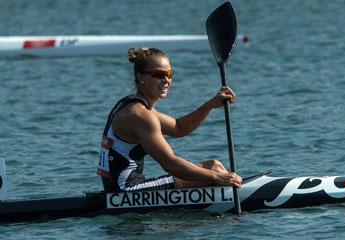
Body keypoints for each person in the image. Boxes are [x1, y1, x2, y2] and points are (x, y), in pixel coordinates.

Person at [97, 46, 242, 192]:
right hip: (126, 190)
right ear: (140, 77)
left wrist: (209, 105)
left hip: (118, 188)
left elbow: (179, 128)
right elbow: (169, 164)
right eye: (159, 75)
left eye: (169, 74)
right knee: (214, 169)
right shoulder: (140, 116)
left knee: (213, 168)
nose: (166, 80)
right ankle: (234, 193)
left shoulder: (132, 104)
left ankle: (228, 189)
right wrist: (217, 178)